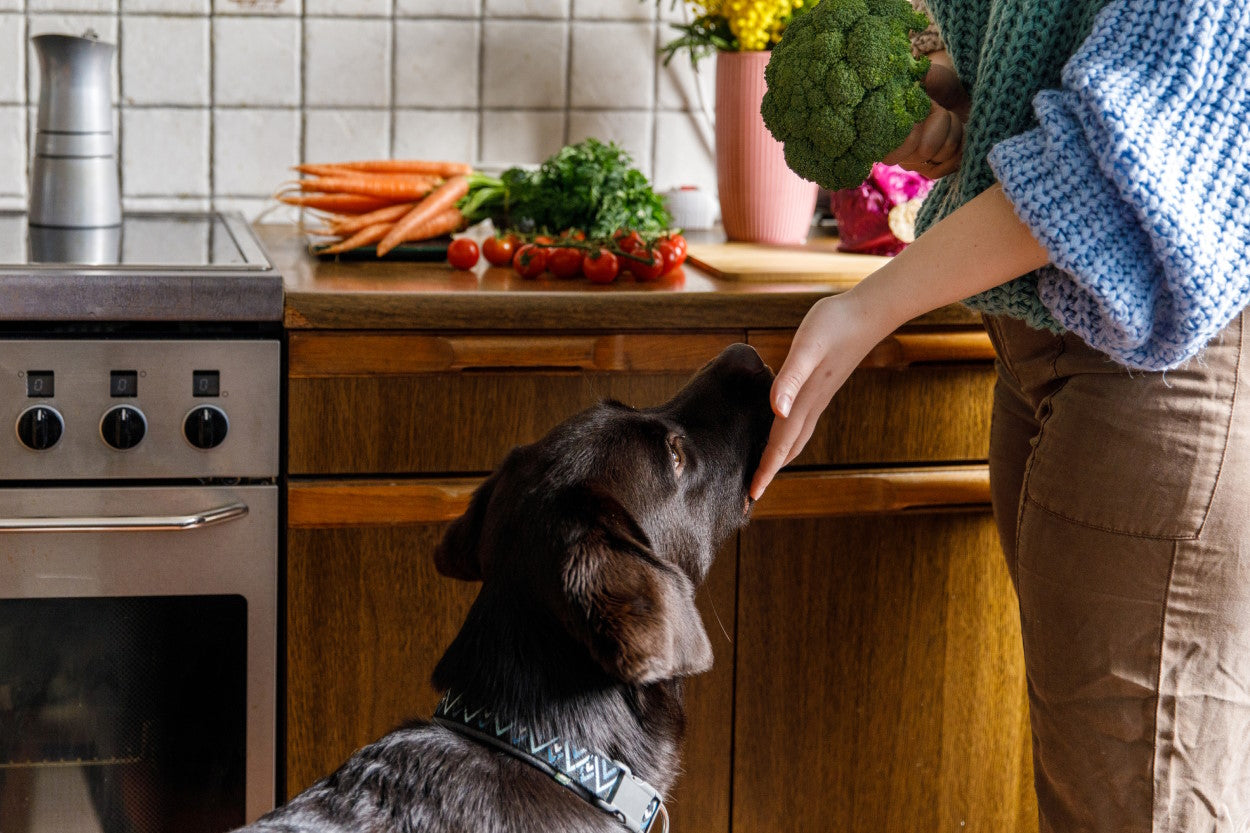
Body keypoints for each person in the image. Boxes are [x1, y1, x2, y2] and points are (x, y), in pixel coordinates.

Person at [749, 1, 1250, 831]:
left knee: (1136, 808)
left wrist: (869, 308)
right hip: (1039, 344)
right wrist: (957, 112)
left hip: (1158, 363)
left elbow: (1116, 161)